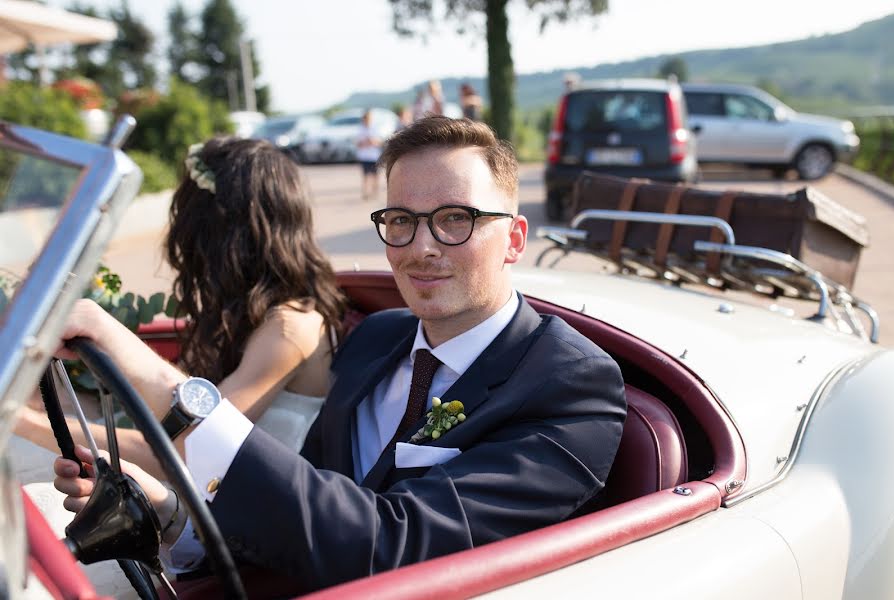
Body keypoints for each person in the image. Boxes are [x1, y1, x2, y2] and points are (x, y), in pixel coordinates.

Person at [52, 116, 627, 593]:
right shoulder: (376, 341)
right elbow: (311, 504)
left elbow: (386, 547)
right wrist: (170, 515)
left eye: (457, 219)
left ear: (516, 240)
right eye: (401, 221)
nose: (422, 247)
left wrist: (148, 370)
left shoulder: (570, 384)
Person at [18, 137, 345, 478]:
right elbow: (159, 414)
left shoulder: (289, 328)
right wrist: (46, 401)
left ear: (216, 233)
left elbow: (190, 446)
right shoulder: (242, 314)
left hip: (227, 513)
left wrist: (26, 423)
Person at [356, 109, 383, 201]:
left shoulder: (375, 128)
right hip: (364, 156)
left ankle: (375, 192)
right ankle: (366, 192)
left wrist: (372, 141)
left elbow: (379, 141)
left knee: (375, 175)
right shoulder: (360, 129)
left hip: (374, 156)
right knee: (365, 175)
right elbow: (358, 143)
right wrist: (365, 142)